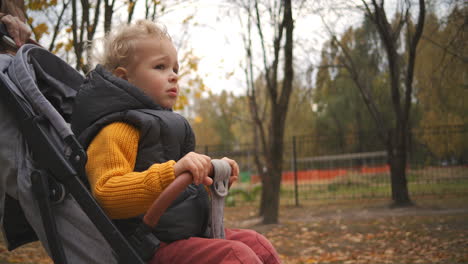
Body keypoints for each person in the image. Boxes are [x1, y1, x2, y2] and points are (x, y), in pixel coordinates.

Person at [70, 19, 281, 264]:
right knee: (235, 256)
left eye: (175, 69)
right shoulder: (117, 129)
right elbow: (107, 194)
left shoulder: (167, 125)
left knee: (257, 244)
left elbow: (181, 190)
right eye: (160, 67)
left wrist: (212, 177)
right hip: (149, 244)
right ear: (124, 78)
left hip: (184, 233)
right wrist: (171, 173)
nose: (173, 77)